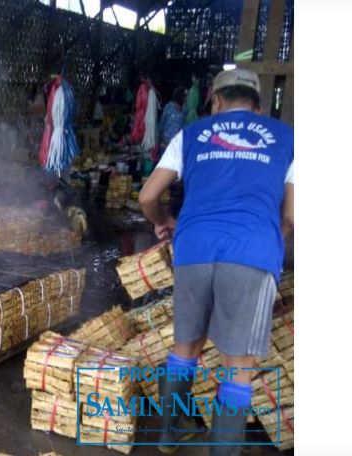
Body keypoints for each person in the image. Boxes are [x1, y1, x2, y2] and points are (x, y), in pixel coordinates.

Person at [138, 69, 294, 456]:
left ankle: (167, 437)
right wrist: (268, 244)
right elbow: (291, 216)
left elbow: (147, 196)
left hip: (193, 248)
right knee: (237, 367)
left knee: (184, 348)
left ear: (216, 102)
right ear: (257, 108)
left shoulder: (192, 134)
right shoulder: (289, 139)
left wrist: (163, 222)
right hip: (251, 253)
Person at [159, 86, 186, 151]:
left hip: (176, 144)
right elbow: (162, 122)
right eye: (185, 96)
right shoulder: (169, 107)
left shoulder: (185, 109)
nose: (186, 98)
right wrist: (161, 138)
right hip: (165, 142)